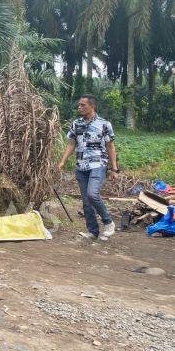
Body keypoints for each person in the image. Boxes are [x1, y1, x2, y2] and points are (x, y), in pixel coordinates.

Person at [57, 94, 120, 241]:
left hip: (98, 164)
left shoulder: (104, 124)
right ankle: (92, 232)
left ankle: (108, 222)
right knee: (86, 201)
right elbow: (72, 144)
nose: (79, 107)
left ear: (92, 106)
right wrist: (62, 161)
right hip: (81, 166)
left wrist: (114, 169)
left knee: (92, 194)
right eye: (79, 105)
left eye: (83, 105)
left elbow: (110, 146)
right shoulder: (76, 124)